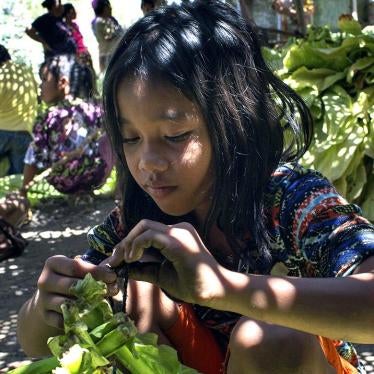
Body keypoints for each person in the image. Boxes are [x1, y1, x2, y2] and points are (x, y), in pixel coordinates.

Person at [17, 2, 374, 374]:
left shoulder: (291, 199)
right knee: (138, 291)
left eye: (175, 135)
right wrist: (47, 304)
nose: (146, 162)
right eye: (130, 138)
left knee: (269, 337)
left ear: (233, 118)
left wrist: (225, 287)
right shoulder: (137, 219)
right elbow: (32, 342)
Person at [20, 54, 112, 197]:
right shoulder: (98, 108)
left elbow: (35, 156)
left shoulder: (49, 116)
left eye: (44, 80)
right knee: (112, 135)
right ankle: (120, 190)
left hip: (63, 181)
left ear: (62, 83)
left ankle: (22, 193)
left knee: (34, 147)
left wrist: (24, 190)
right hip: (97, 177)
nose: (40, 86)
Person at [0, 44, 38, 176]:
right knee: (18, 178)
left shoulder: (1, 74)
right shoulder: (26, 72)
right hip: (25, 134)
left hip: (1, 132)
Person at [91, 0, 123, 72]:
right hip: (107, 55)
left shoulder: (111, 20)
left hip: (113, 53)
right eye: (108, 7)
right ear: (104, 8)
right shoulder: (100, 21)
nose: (111, 9)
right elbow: (108, 36)